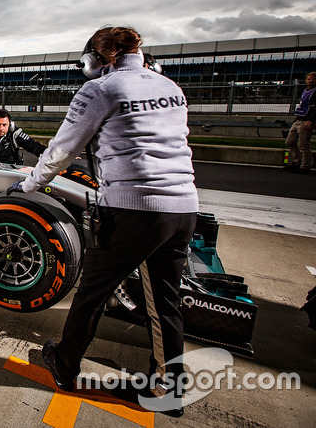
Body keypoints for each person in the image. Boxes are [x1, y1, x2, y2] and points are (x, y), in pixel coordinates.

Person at [10, 27, 198, 417]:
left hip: (134, 209)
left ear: (97, 59)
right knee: (165, 304)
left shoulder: (100, 90)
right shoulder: (171, 87)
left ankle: (64, 365)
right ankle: (168, 389)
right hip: (184, 207)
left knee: (92, 293)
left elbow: (62, 149)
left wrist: (29, 184)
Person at [284, 71, 316, 173]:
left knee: (303, 144)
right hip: (299, 119)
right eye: (309, 79)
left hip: (307, 120)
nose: (311, 81)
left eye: (313, 79)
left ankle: (305, 165)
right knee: (289, 141)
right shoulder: (305, 91)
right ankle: (297, 161)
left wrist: (310, 120)